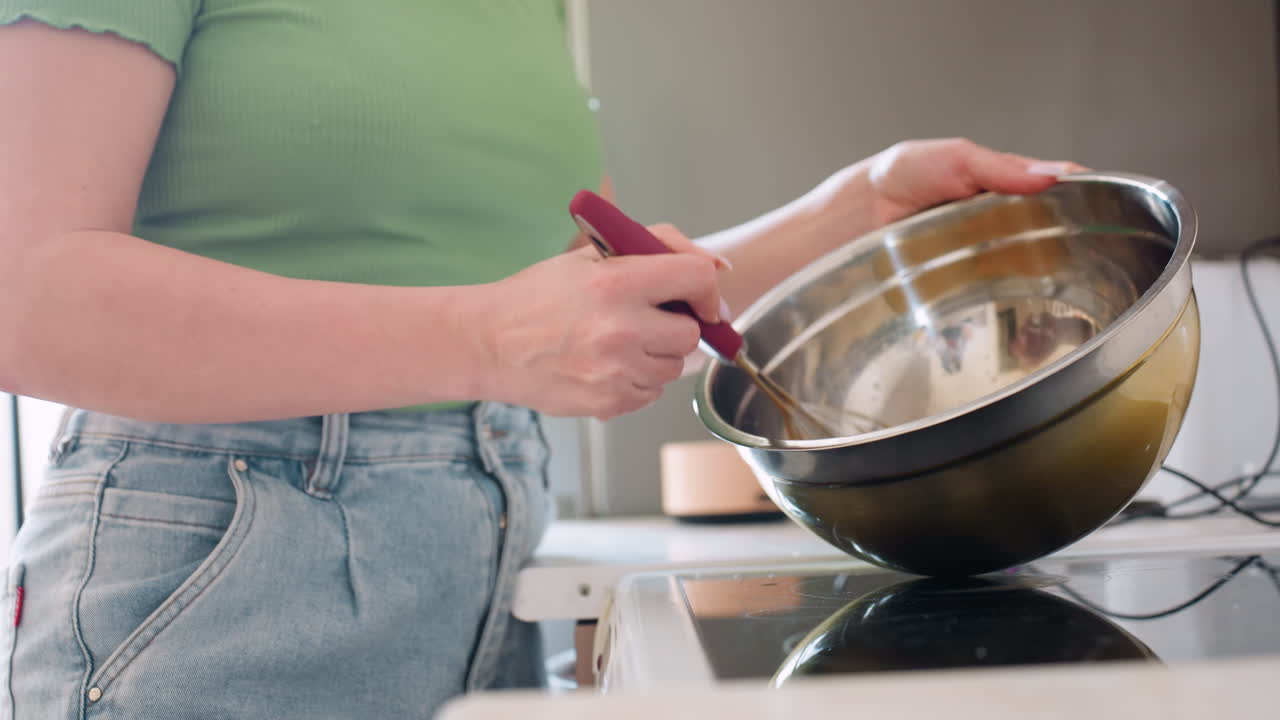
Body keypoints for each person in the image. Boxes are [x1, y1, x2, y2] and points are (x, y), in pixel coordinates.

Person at [0, 2, 1081, 718]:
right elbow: (22, 292)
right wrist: (488, 341)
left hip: (485, 542)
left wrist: (862, 209)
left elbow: (518, 288)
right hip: (222, 570)